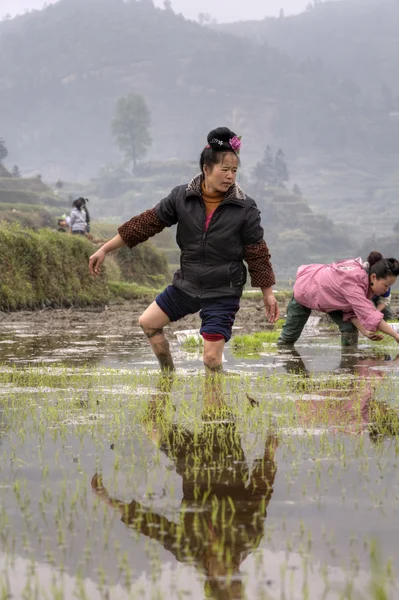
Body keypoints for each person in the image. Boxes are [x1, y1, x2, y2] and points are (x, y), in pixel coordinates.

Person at [89, 127, 279, 372]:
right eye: (224, 170)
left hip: (222, 290)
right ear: (206, 169)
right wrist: (105, 249)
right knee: (148, 323)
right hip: (187, 284)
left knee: (211, 360)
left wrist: (268, 292)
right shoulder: (182, 197)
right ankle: (168, 374)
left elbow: (257, 252)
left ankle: (215, 407)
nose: (230, 176)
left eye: (234, 170)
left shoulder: (245, 207)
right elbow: (146, 224)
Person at [91, 379, 278, 600]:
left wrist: (109, 500)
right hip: (226, 458)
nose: (232, 569)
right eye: (236, 578)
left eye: (226, 577)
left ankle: (166, 374)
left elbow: (154, 527)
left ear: (211, 577)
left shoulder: (190, 550)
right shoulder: (247, 539)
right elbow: (260, 492)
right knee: (213, 393)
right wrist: (269, 453)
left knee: (151, 423)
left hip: (191, 466)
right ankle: (211, 354)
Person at [277, 251, 399, 347]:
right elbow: (370, 315)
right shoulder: (354, 282)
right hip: (306, 291)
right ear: (373, 277)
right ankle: (284, 359)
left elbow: (351, 311)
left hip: (333, 301)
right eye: (386, 285)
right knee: (288, 338)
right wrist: (396, 335)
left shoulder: (365, 283)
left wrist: (365, 331)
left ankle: (349, 366)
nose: (386, 290)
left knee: (350, 330)